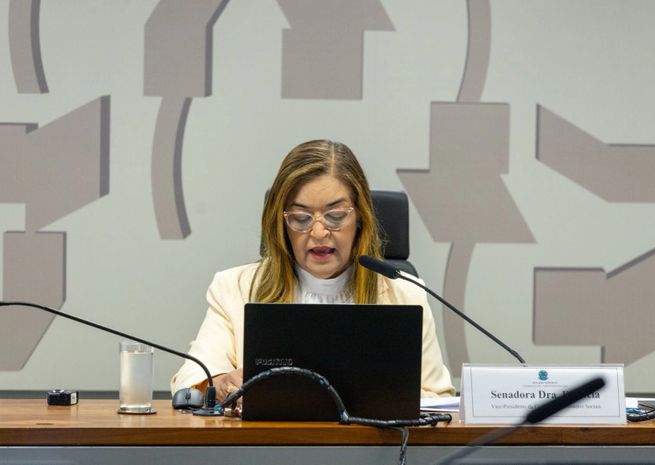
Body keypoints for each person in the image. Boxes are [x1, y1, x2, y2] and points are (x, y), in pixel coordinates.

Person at [171, 140, 454, 402]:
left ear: (360, 218)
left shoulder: (406, 293)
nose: (319, 232)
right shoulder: (234, 287)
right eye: (301, 218)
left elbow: (440, 399)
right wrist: (221, 384)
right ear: (281, 223)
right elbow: (191, 379)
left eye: (335, 215)